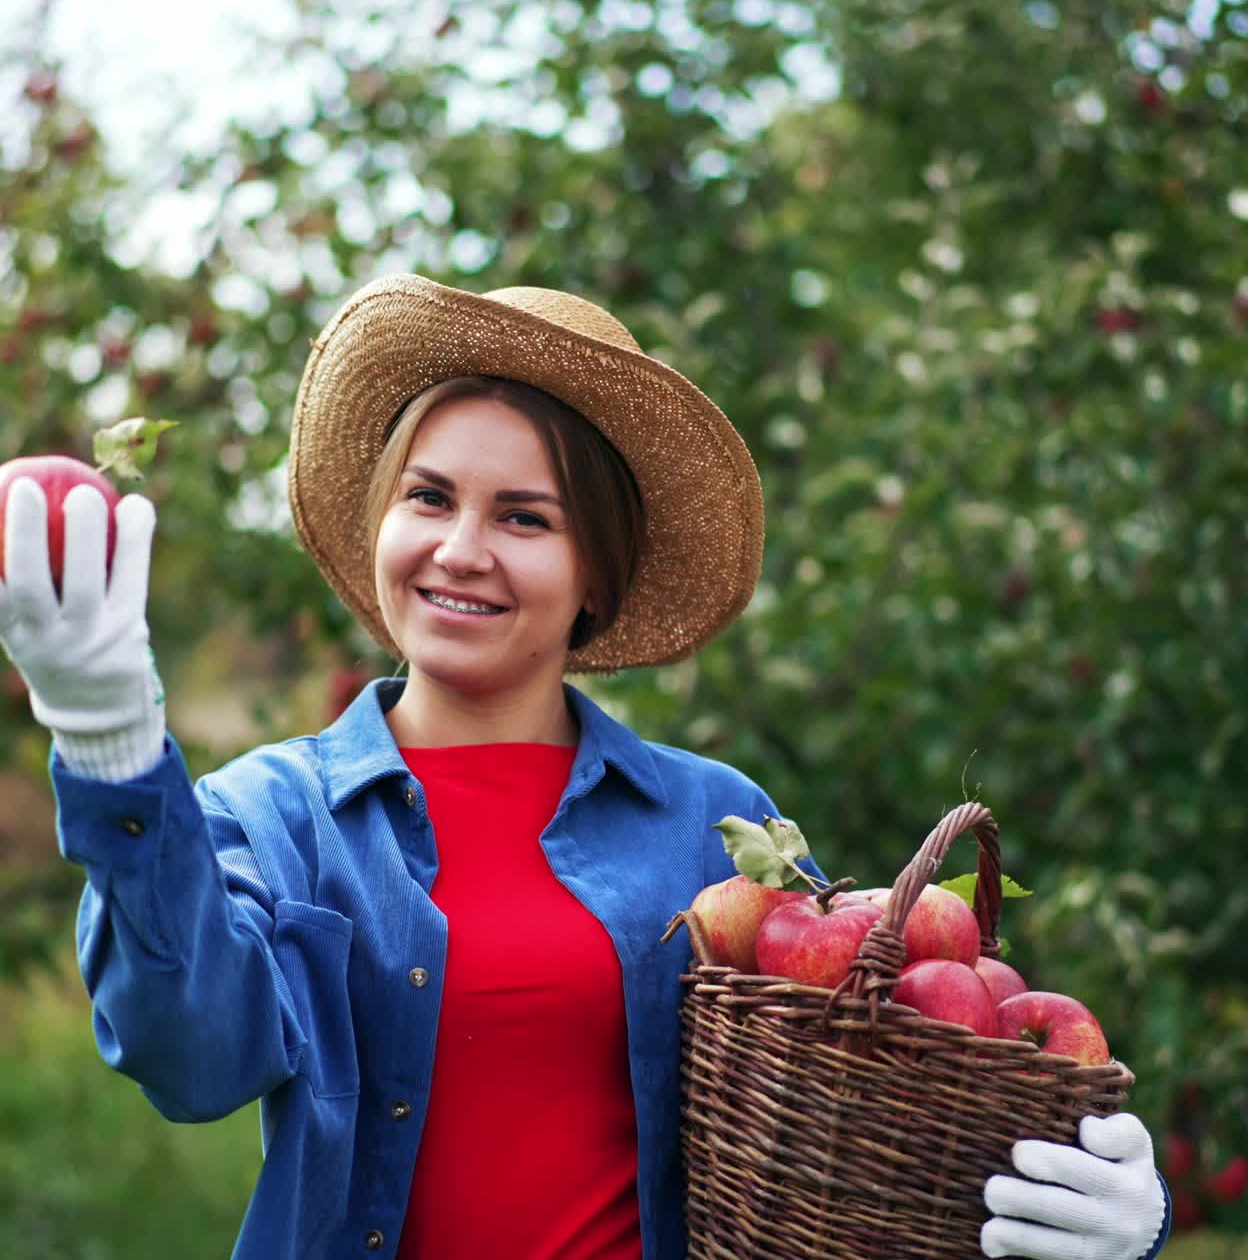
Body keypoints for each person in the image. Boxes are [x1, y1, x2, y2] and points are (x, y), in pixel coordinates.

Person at [0, 274, 1171, 1260]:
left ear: (594, 573)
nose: (460, 549)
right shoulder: (272, 811)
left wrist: (1088, 1194)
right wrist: (114, 746)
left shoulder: (717, 824)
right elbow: (190, 1057)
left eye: (524, 517)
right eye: (428, 496)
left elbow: (861, 1105)